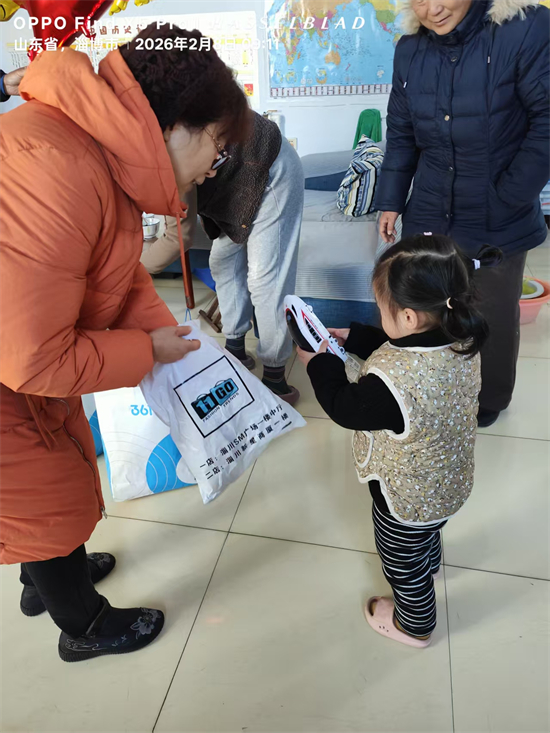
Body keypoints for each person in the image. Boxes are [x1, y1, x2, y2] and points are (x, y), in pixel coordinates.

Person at [0, 24, 250, 662]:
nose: (213, 167)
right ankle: (83, 626)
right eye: (218, 148)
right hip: (14, 372)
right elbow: (36, 359)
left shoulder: (90, 152)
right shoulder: (59, 169)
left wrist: (165, 332)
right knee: (43, 495)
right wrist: (147, 351)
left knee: (47, 483)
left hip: (18, 363)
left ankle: (43, 577)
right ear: (177, 127)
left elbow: (108, 270)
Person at [297, 234, 498, 646]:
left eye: (381, 308)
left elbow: (345, 407)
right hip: (450, 481)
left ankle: (415, 624)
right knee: (428, 532)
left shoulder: (393, 385)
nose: (379, 315)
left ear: (408, 317)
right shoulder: (461, 335)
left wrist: (319, 364)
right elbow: (404, 346)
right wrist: (353, 338)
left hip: (406, 500)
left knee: (402, 564)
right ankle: (431, 562)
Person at [376, 0, 550, 428]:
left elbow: (547, 123)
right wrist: (391, 200)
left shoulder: (523, 29)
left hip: (499, 211)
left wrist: (508, 197)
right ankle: (435, 391)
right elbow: (401, 132)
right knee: (428, 307)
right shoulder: (410, 49)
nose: (433, 9)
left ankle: (488, 399)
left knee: (491, 312)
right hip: (430, 208)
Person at [141, 111, 304, 405]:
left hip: (269, 165)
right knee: (223, 263)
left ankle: (275, 377)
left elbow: (179, 236)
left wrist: (132, 272)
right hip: (233, 182)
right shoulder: (148, 157)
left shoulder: (167, 159)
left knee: (265, 279)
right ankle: (236, 349)